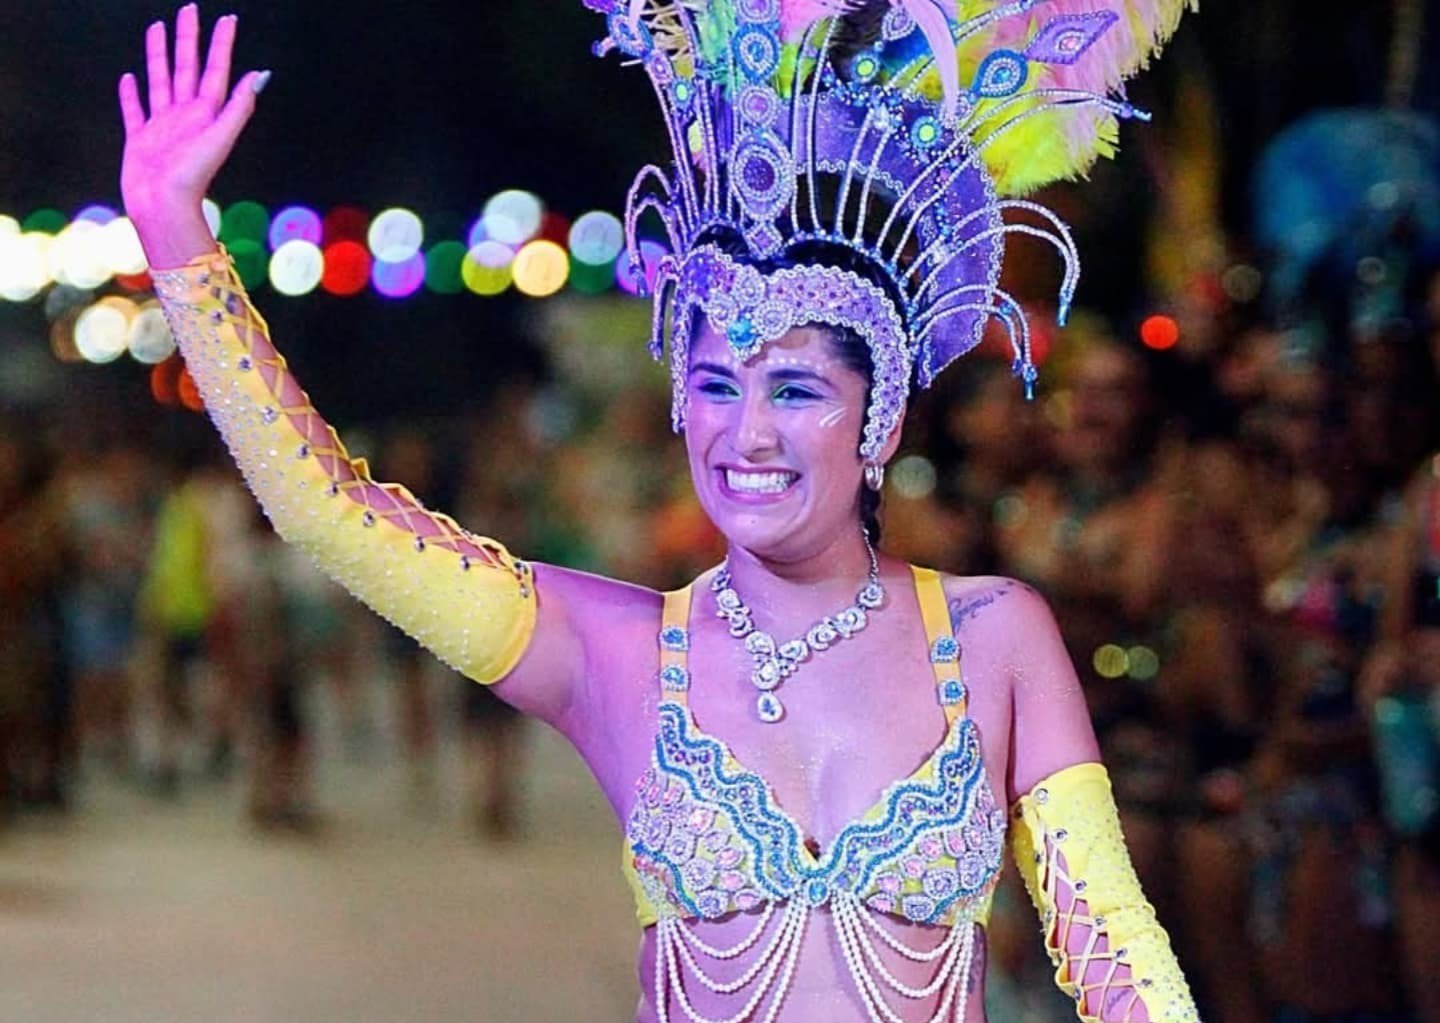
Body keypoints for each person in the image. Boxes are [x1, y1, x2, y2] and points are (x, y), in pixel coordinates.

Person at [117, 4, 1198, 1020]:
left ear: (881, 425)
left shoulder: (995, 635)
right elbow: (328, 513)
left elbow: (1111, 945)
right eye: (719, 387)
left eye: (799, 391)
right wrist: (178, 242)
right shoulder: (616, 651)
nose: (750, 436)